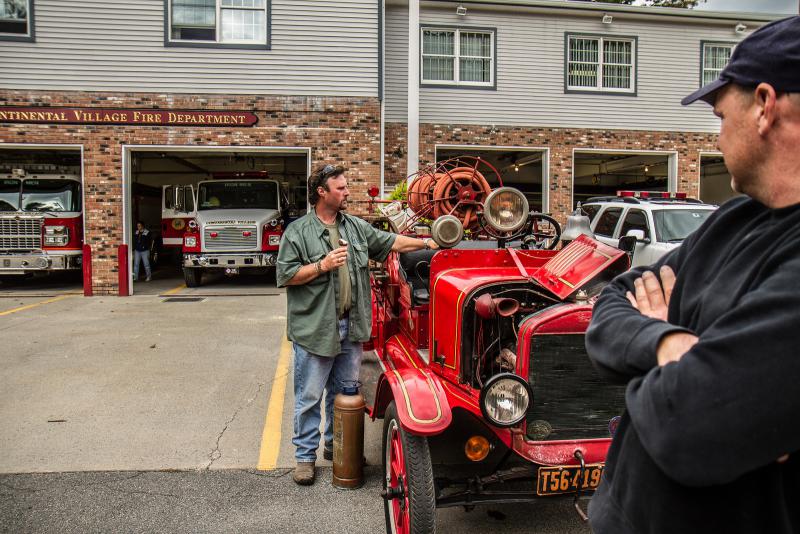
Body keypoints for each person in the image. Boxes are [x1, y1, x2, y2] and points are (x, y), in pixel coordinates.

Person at [585, 16, 800, 534]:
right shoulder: (734, 218)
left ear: (765, 106)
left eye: (722, 114)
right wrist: (670, 344)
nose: (717, 134)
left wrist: (656, 361)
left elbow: (691, 424)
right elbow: (607, 306)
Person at [276, 164, 439, 486]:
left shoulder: (355, 227)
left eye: (346, 187)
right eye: (340, 188)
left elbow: (391, 241)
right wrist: (321, 265)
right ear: (321, 193)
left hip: (352, 328)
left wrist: (433, 242)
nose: (347, 192)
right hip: (315, 328)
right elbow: (285, 276)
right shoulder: (297, 232)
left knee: (344, 395)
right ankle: (304, 458)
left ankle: (338, 448)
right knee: (308, 397)